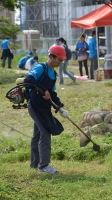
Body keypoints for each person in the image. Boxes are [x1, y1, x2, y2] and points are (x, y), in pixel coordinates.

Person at [24, 45, 69, 174]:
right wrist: (42, 90)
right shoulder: (40, 68)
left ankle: (34, 163)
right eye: (58, 60)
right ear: (51, 56)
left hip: (45, 108)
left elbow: (52, 94)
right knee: (45, 132)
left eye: (61, 61)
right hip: (35, 105)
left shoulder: (53, 74)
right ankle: (44, 166)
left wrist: (60, 107)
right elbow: (28, 81)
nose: (59, 63)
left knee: (37, 135)